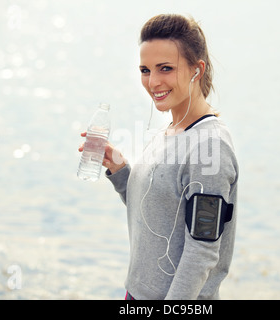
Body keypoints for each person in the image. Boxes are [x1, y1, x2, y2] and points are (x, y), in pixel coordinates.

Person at [79, 13, 239, 300]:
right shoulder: (170, 131)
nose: (153, 82)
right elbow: (157, 211)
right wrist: (120, 170)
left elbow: (202, 250)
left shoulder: (210, 147)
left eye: (165, 68)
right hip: (137, 294)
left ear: (196, 70)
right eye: (145, 69)